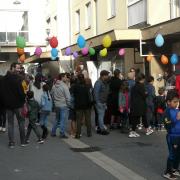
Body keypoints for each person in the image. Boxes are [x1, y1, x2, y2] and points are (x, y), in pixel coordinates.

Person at [0, 63, 26, 148]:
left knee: (10, 124)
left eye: (19, 68)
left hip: (8, 106)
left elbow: (1, 93)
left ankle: (11, 143)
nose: (19, 70)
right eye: (17, 68)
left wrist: (4, 102)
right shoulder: (21, 79)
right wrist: (23, 100)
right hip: (19, 105)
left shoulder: (3, 79)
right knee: (21, 123)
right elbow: (24, 92)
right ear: (12, 68)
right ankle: (22, 142)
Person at [129, 73, 153, 138]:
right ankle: (134, 131)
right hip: (141, 104)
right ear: (142, 79)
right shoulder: (141, 86)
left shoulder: (134, 86)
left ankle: (145, 129)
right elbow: (144, 94)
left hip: (134, 104)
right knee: (142, 116)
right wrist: (147, 93)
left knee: (138, 117)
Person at [163, 90, 180, 179]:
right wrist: (176, 119)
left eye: (178, 101)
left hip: (179, 135)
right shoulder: (167, 112)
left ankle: (174, 169)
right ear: (168, 102)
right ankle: (168, 172)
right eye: (174, 102)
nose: (177, 103)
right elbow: (168, 126)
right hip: (172, 136)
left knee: (178, 154)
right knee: (172, 154)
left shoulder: (177, 109)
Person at [72, 74, 92, 138]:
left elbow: (72, 95)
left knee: (78, 120)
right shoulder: (88, 86)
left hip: (78, 105)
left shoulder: (75, 86)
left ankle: (78, 134)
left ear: (78, 79)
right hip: (87, 105)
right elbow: (91, 95)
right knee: (88, 119)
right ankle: (89, 133)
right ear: (83, 78)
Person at [51, 73, 71, 138]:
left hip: (57, 105)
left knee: (57, 119)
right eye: (65, 77)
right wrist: (69, 104)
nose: (66, 78)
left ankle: (53, 132)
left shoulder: (54, 86)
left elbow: (52, 94)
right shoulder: (64, 86)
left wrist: (55, 101)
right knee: (62, 120)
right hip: (63, 105)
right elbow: (68, 97)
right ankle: (62, 133)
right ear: (62, 78)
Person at [94, 70, 110, 135]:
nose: (108, 76)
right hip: (100, 102)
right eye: (107, 75)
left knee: (101, 116)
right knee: (101, 116)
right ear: (103, 76)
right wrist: (97, 102)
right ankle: (102, 129)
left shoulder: (104, 82)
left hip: (102, 102)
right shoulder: (98, 83)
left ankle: (99, 128)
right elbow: (96, 93)